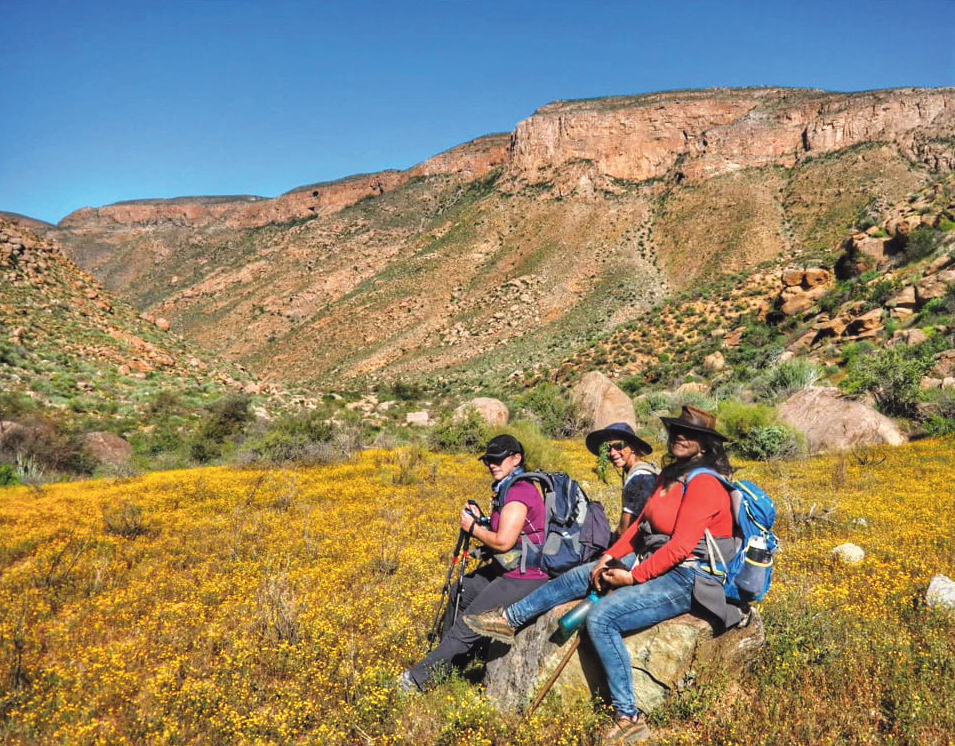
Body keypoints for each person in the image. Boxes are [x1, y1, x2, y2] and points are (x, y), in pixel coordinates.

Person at [465, 406, 744, 744]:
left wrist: (633, 577)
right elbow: (641, 528)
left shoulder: (705, 485)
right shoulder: (670, 478)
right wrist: (610, 556)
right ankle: (510, 619)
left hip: (690, 576)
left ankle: (628, 716)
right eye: (677, 431)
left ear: (705, 445)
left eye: (692, 434)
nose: (681, 437)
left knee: (603, 618)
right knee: (577, 576)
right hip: (657, 559)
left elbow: (681, 547)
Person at [400, 434, 550, 691]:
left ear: (516, 459)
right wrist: (481, 520)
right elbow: (504, 532)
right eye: (489, 460)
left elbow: (503, 542)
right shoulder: (507, 487)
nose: (492, 464)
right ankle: (449, 659)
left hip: (527, 573)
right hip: (510, 566)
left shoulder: (519, 491)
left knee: (469, 621)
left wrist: (472, 528)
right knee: (462, 589)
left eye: (498, 459)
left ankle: (416, 680)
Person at [585, 422, 657, 538]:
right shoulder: (646, 468)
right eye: (607, 448)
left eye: (619, 446)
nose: (612, 453)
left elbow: (624, 530)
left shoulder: (638, 477)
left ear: (632, 447)